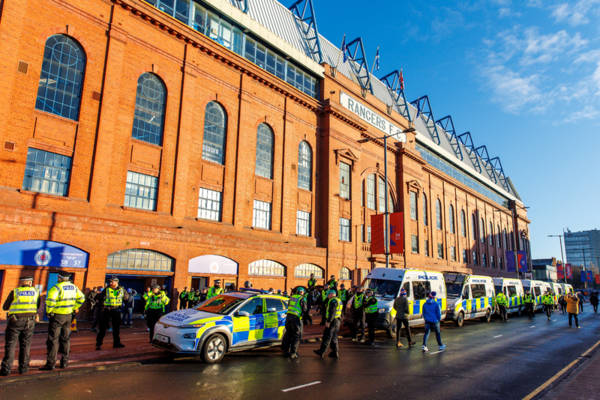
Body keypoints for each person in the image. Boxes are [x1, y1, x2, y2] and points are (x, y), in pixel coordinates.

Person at [40, 272, 84, 371]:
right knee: (65, 339)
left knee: (53, 339)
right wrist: (75, 307)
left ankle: (51, 364)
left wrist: (49, 311)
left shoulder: (56, 288)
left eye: (58, 277)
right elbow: (82, 298)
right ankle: (64, 362)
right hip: (69, 316)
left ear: (60, 278)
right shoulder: (74, 287)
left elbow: (50, 301)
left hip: (57, 316)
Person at [1, 276, 40, 376]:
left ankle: (6, 369)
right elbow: (37, 306)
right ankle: (23, 368)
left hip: (15, 321)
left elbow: (5, 307)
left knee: (11, 345)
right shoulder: (36, 292)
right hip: (30, 321)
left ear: (21, 282)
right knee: (26, 345)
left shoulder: (15, 292)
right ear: (30, 283)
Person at [96, 276, 129, 350]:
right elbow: (99, 298)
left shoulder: (122, 290)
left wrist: (125, 300)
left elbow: (126, 298)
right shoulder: (106, 289)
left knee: (116, 328)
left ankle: (116, 343)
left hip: (116, 310)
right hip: (106, 310)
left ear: (116, 282)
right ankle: (98, 344)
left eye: (112, 281)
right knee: (102, 328)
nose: (110, 283)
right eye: (110, 281)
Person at [313, 289, 342, 359]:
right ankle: (335, 352)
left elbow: (332, 312)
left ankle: (322, 351)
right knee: (334, 337)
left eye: (328, 294)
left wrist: (328, 321)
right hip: (337, 320)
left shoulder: (333, 301)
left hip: (333, 321)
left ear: (332, 294)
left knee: (327, 336)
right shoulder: (338, 300)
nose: (327, 296)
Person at [282, 287, 307, 359]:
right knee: (297, 336)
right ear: (302, 292)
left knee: (288, 334)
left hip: (289, 317)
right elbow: (304, 309)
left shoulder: (292, 297)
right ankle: (293, 353)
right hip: (296, 319)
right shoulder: (302, 298)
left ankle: (286, 351)